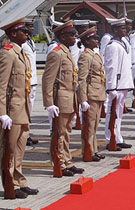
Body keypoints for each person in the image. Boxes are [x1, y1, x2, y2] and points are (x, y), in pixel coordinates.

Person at [0, 17, 39, 199]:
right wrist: (2, 114)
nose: (26, 33)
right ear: (12, 33)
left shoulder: (21, 52)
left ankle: (20, 181)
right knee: (10, 150)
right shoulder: (7, 53)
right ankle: (11, 185)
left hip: (23, 108)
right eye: (22, 30)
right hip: (12, 110)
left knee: (20, 149)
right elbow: (1, 86)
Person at [42, 20, 85, 176]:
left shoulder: (67, 51)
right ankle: (59, 163)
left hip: (70, 98)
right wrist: (49, 103)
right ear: (62, 36)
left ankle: (67, 161)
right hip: (60, 100)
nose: (75, 37)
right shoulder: (56, 53)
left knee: (66, 132)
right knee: (59, 134)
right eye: (71, 34)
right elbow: (48, 80)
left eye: (75, 34)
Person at [104, 18, 134, 150]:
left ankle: (118, 137)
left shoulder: (123, 43)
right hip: (117, 86)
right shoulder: (112, 46)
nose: (125, 30)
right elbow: (111, 68)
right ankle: (110, 138)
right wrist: (111, 87)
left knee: (119, 114)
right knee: (112, 113)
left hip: (123, 84)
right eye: (122, 28)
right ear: (115, 30)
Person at [77, 27, 106, 162]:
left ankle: (93, 150)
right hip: (91, 94)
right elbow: (82, 79)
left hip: (98, 93)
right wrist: (83, 99)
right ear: (87, 41)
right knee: (89, 125)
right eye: (94, 39)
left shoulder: (95, 54)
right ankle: (88, 150)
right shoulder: (85, 56)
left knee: (94, 125)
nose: (96, 41)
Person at [22, 18, 38, 146]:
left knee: (30, 110)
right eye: (29, 27)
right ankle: (23, 135)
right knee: (24, 109)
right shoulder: (21, 43)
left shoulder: (31, 42)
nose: (31, 29)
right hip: (25, 81)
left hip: (33, 80)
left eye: (32, 26)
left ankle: (27, 132)